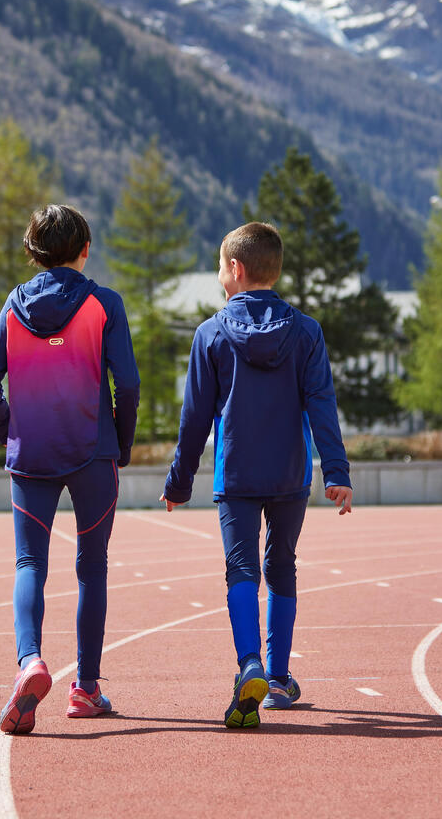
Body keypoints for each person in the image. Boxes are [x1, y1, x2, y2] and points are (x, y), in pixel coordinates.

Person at [160, 221, 352, 728]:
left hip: (237, 474)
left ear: (237, 270)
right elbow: (322, 405)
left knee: (240, 569)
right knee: (282, 565)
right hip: (291, 474)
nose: (218, 275)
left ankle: (251, 664)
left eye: (221, 266)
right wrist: (336, 470)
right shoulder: (307, 331)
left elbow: (194, 421)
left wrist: (179, 483)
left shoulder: (210, 334)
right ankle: (280, 679)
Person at [0, 204, 140, 734]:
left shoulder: (14, 304)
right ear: (85, 250)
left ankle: (31, 663)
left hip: (32, 456)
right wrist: (122, 441)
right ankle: (86, 689)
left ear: (33, 252)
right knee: (92, 567)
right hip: (93, 453)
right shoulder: (103, 303)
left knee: (30, 564)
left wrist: (10, 429)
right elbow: (129, 385)